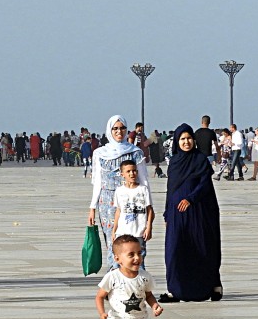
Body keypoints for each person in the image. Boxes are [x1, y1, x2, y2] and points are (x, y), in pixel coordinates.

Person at [160, 123, 222, 302]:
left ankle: (209, 286)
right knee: (175, 250)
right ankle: (175, 289)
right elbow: (170, 189)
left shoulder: (200, 159)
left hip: (198, 212)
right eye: (182, 139)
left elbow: (204, 184)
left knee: (202, 248)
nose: (186, 142)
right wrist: (166, 213)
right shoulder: (174, 163)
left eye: (188, 138)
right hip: (176, 214)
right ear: (176, 142)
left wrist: (190, 199)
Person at [88, 115, 150, 258]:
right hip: (107, 204)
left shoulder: (135, 152)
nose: (119, 131)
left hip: (132, 201)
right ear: (110, 130)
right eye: (115, 128)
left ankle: (134, 275)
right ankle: (115, 274)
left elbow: (144, 181)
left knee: (134, 240)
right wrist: (92, 208)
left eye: (122, 128)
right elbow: (98, 182)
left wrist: (148, 208)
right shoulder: (100, 154)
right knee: (113, 241)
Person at [111, 160, 154, 255]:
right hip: (122, 232)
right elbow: (118, 211)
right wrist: (114, 230)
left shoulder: (143, 189)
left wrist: (149, 227)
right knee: (123, 256)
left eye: (134, 171)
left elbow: (149, 210)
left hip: (139, 231)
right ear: (122, 174)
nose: (132, 174)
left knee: (139, 257)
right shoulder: (119, 191)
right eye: (128, 171)